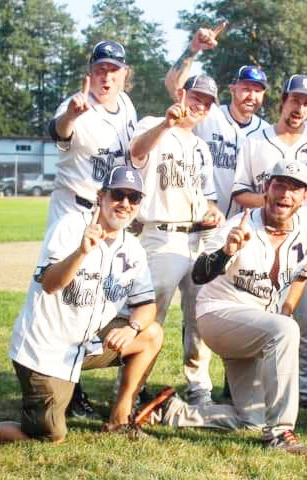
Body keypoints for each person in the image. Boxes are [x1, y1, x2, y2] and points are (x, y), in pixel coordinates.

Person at [133, 160, 307, 456]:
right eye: (280, 185)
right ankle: (282, 432)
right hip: (218, 314)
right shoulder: (238, 226)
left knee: (253, 420)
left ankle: (172, 411)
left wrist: (287, 307)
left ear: (305, 196)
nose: (286, 194)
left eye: (295, 188)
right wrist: (225, 252)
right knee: (286, 330)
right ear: (266, 188)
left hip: (256, 324)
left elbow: (305, 274)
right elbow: (199, 274)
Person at [0, 166, 162, 444]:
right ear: (101, 196)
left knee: (151, 333)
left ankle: (119, 419)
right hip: (43, 350)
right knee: (49, 435)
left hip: (83, 345)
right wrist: (81, 252)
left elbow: (147, 305)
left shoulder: (133, 249)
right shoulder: (70, 226)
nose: (125, 203)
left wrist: (132, 327)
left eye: (134, 197)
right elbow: (50, 284)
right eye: (118, 194)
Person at [232, 74, 307, 409]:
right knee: (253, 317)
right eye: (295, 100)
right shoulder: (256, 140)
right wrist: (274, 202)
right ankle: (245, 385)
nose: (300, 107)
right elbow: (239, 192)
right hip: (261, 244)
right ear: (282, 101)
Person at [47, 40, 139, 418]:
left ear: (124, 75)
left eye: (113, 70)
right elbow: (59, 131)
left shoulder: (127, 107)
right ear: (91, 73)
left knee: (98, 296)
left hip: (109, 213)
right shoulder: (76, 104)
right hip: (75, 209)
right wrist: (71, 114)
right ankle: (68, 388)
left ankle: (78, 379)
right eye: (100, 69)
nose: (106, 76)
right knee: (68, 297)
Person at [129, 74, 225, 406]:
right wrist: (165, 126)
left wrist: (213, 212)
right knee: (149, 315)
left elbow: (208, 198)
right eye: (196, 97)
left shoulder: (201, 147)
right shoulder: (153, 123)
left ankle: (198, 385)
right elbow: (136, 154)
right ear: (181, 94)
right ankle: (133, 386)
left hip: (197, 239)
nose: (200, 105)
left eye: (207, 102)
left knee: (200, 315)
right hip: (162, 235)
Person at [164, 23, 270, 218]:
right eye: (246, 88)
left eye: (257, 91)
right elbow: (174, 84)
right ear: (232, 89)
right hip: (197, 218)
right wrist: (194, 48)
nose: (251, 96)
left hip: (241, 227)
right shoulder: (209, 114)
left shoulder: (266, 133)